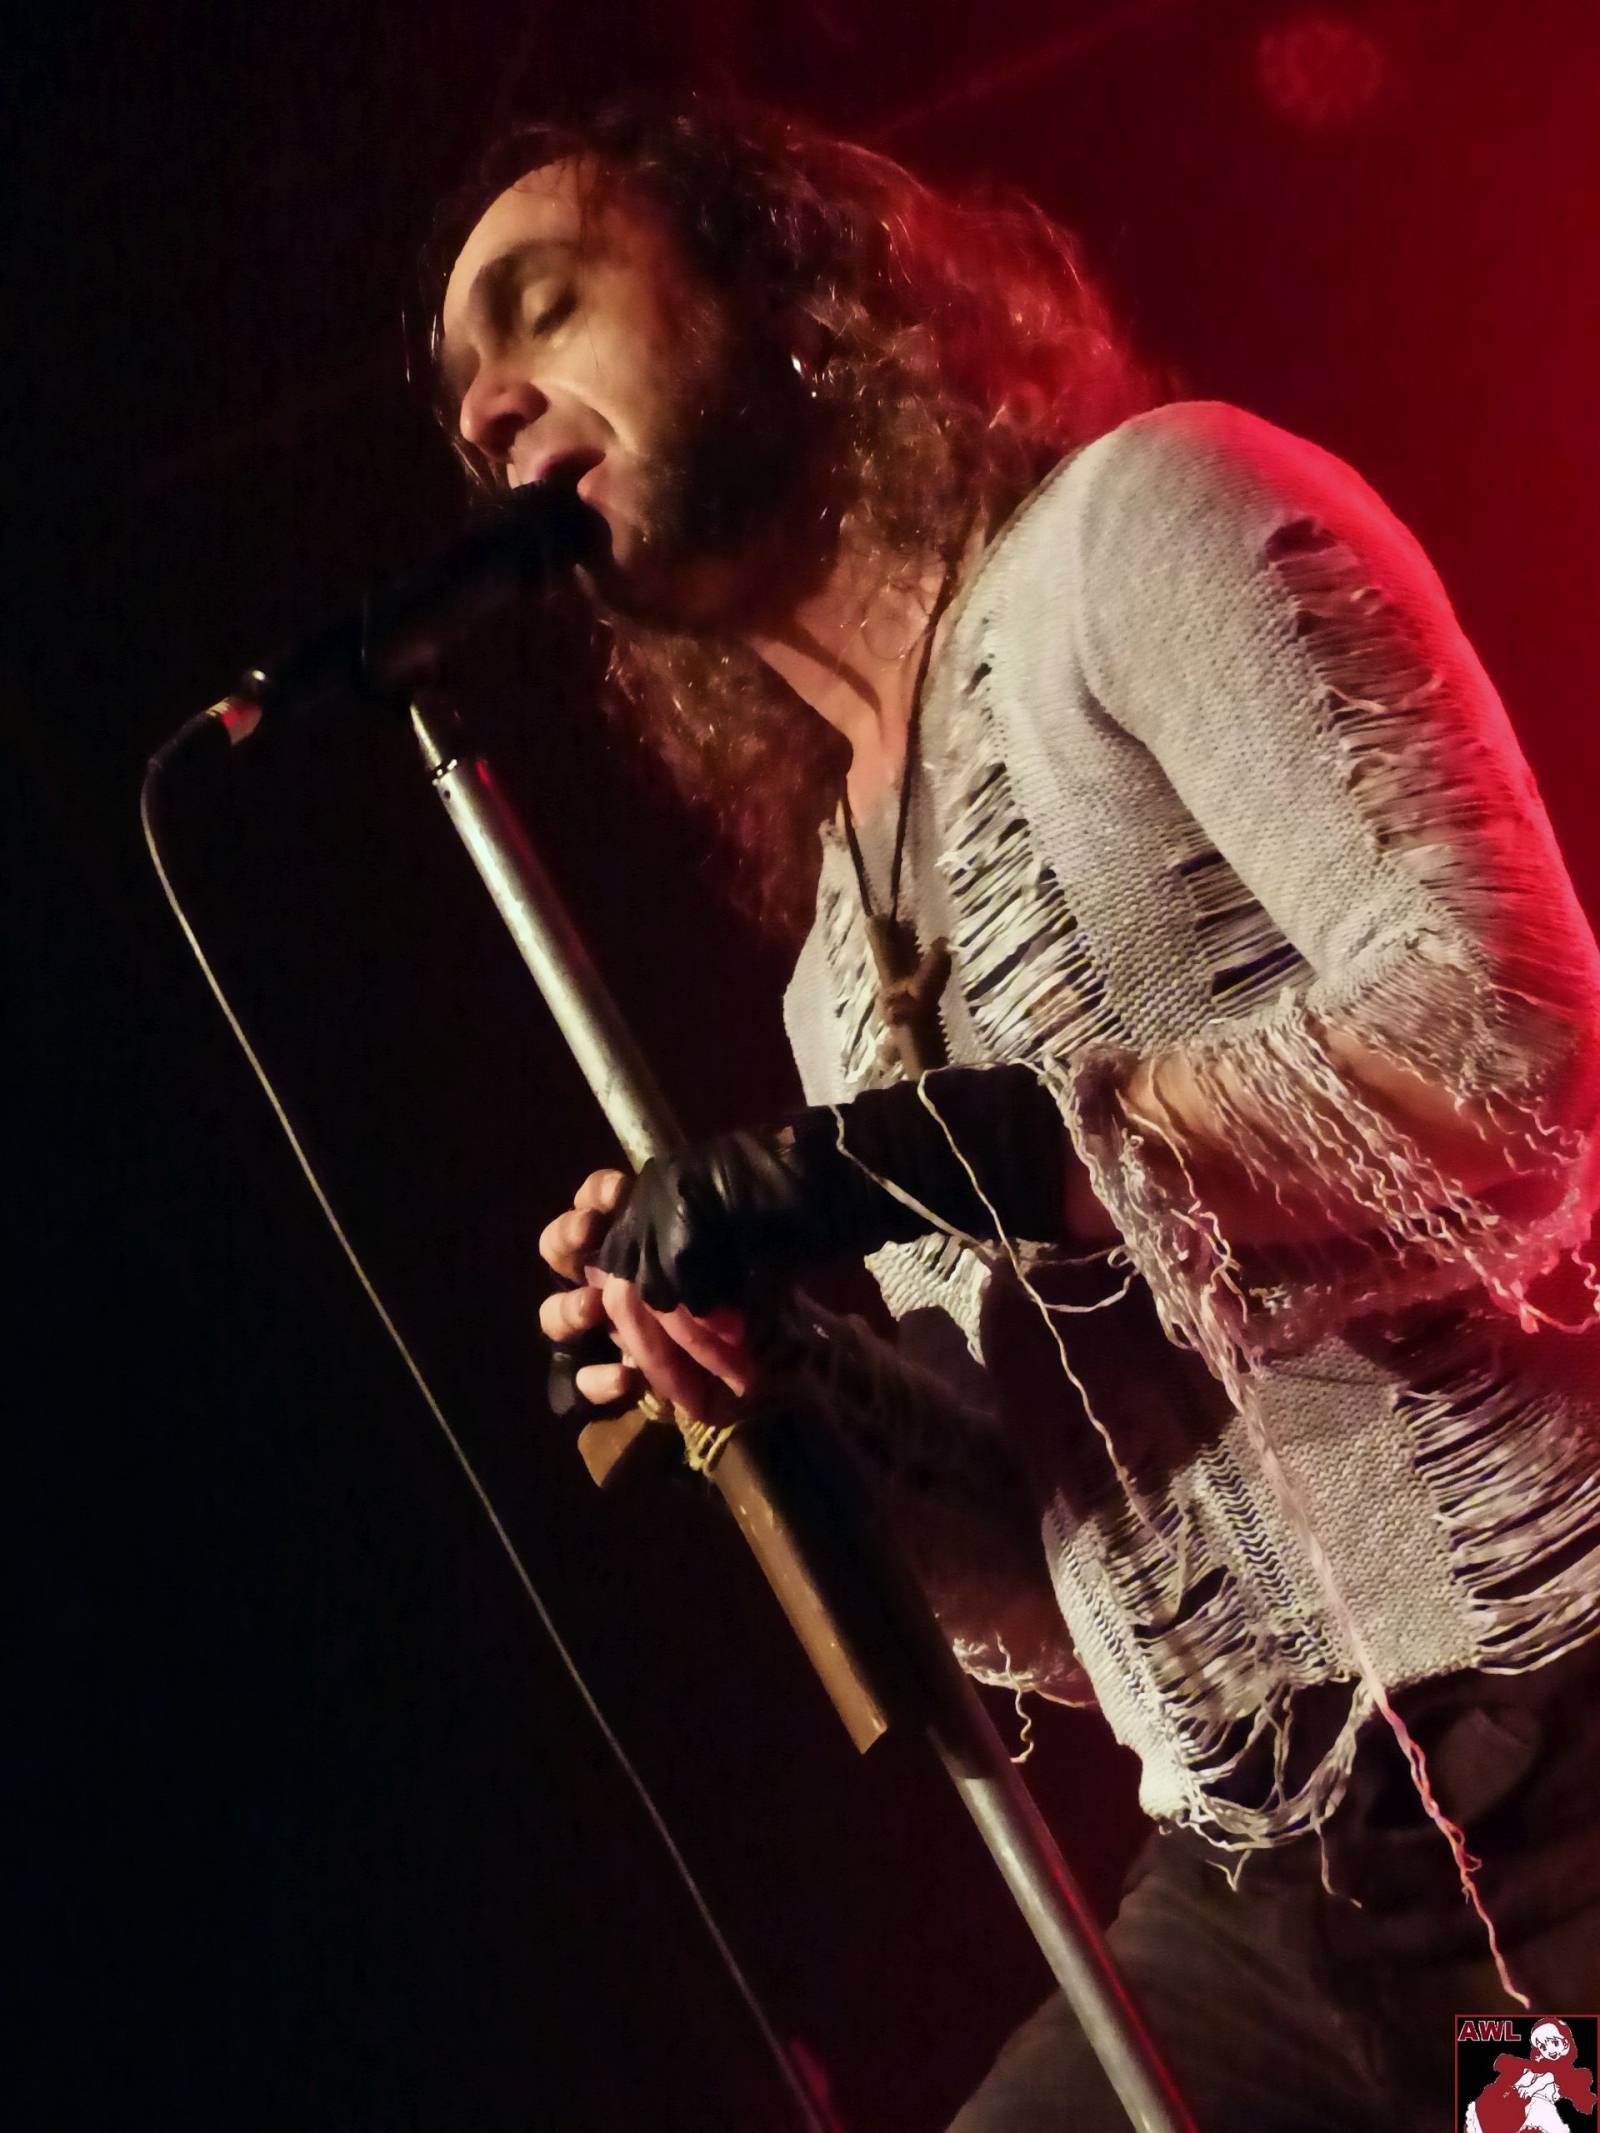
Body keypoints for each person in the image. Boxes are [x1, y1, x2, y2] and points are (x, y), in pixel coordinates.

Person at [429, 100, 1600, 2131]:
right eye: (462, 385)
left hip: (1552, 1769)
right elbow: (1066, 1557)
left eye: (545, 305)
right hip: (1253, 1891)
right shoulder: (830, 952)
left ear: (789, 292)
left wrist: (954, 1152)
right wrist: (777, 1374)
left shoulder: (1142, 529)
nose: (487, 408)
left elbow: (1513, 1055)